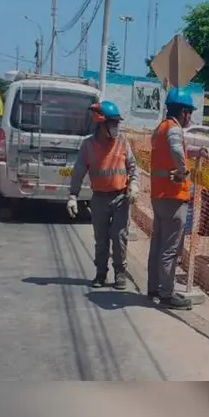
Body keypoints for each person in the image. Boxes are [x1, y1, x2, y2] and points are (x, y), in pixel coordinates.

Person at [67, 100, 139, 290]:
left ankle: (120, 274)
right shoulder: (88, 145)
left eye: (117, 123)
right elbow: (79, 171)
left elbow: (132, 167)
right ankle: (100, 274)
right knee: (101, 239)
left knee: (119, 237)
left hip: (121, 198)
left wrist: (135, 184)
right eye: (113, 123)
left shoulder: (123, 142)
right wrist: (73, 196)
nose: (116, 127)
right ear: (102, 123)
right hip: (99, 198)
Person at [145, 88, 196, 310]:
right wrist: (183, 170)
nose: (190, 117)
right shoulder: (174, 129)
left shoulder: (160, 129)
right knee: (170, 248)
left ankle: (154, 287)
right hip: (174, 197)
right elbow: (176, 150)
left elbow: (169, 151)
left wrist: (193, 155)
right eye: (190, 113)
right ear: (183, 111)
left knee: (157, 245)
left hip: (159, 195)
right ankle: (167, 294)